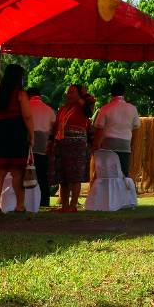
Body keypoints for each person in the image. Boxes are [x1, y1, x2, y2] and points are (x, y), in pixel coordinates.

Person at [0, 64, 34, 213]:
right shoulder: (21, 94)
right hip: (17, 131)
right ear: (19, 78)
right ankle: (20, 206)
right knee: (17, 171)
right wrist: (31, 134)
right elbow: (28, 116)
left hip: (0, 131)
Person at [49, 84, 92, 212]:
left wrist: (82, 97)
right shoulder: (62, 109)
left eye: (72, 92)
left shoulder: (84, 106)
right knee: (63, 177)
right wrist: (51, 143)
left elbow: (88, 112)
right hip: (61, 144)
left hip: (77, 145)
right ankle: (65, 206)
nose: (69, 94)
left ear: (79, 95)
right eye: (68, 92)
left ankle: (73, 206)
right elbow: (56, 126)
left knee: (75, 176)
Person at [93, 82, 141, 178]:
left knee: (107, 176)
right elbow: (136, 129)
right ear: (124, 93)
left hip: (108, 146)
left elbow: (99, 129)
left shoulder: (105, 108)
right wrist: (131, 146)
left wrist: (95, 148)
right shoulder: (132, 109)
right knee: (123, 176)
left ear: (111, 94)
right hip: (125, 146)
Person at [27, 87, 56, 208]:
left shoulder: (26, 106)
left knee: (26, 173)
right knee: (42, 176)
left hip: (28, 144)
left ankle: (25, 201)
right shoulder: (49, 110)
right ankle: (44, 201)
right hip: (44, 145)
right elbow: (54, 127)